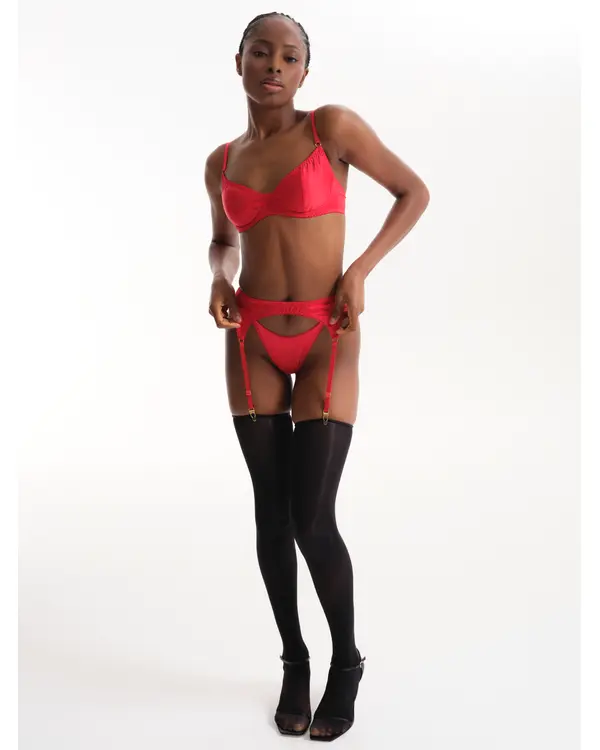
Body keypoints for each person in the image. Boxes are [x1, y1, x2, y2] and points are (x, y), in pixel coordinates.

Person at [204, 11, 430, 741]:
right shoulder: (221, 161)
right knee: (270, 516)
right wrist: (219, 276)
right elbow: (222, 239)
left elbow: (414, 192)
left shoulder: (332, 128)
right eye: (260, 52)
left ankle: (347, 661)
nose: (274, 64)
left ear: (305, 71)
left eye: (289, 55)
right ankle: (294, 660)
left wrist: (359, 270)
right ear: (238, 61)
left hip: (326, 332)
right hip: (251, 339)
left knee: (311, 518)